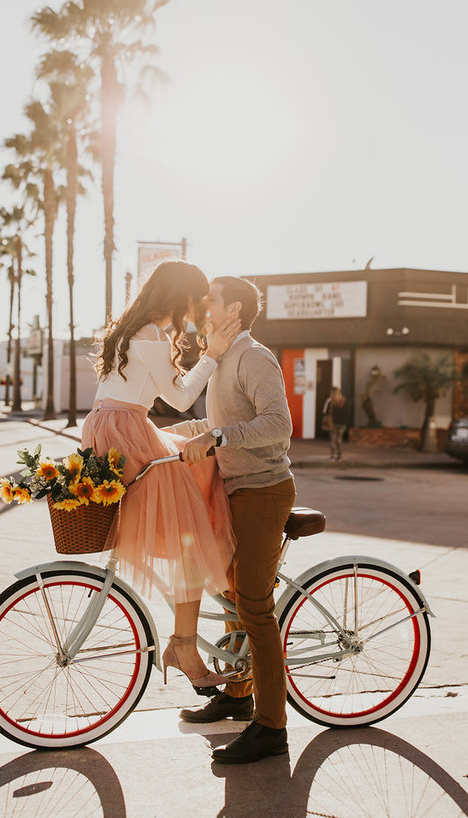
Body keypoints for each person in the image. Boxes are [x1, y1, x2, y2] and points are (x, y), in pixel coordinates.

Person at [82, 261, 240, 691]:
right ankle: (185, 642)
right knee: (197, 520)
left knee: (193, 490)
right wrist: (213, 355)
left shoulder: (134, 330)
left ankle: (195, 627)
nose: (200, 308)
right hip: (127, 431)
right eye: (198, 298)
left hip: (109, 428)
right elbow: (183, 397)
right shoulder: (152, 334)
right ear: (180, 297)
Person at [173, 276, 296, 764]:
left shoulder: (254, 357)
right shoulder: (224, 359)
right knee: (227, 590)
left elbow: (277, 424)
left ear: (236, 309)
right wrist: (173, 435)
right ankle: (240, 693)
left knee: (254, 606)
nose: (204, 306)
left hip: (263, 491)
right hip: (234, 491)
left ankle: (272, 726)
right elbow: (219, 422)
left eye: (212, 300)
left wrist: (218, 437)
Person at [323, 386, 348, 461]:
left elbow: (326, 412)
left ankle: (333, 455)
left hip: (333, 423)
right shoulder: (345, 401)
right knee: (339, 440)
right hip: (342, 424)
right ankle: (340, 455)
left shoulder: (330, 402)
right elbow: (347, 413)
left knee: (333, 440)